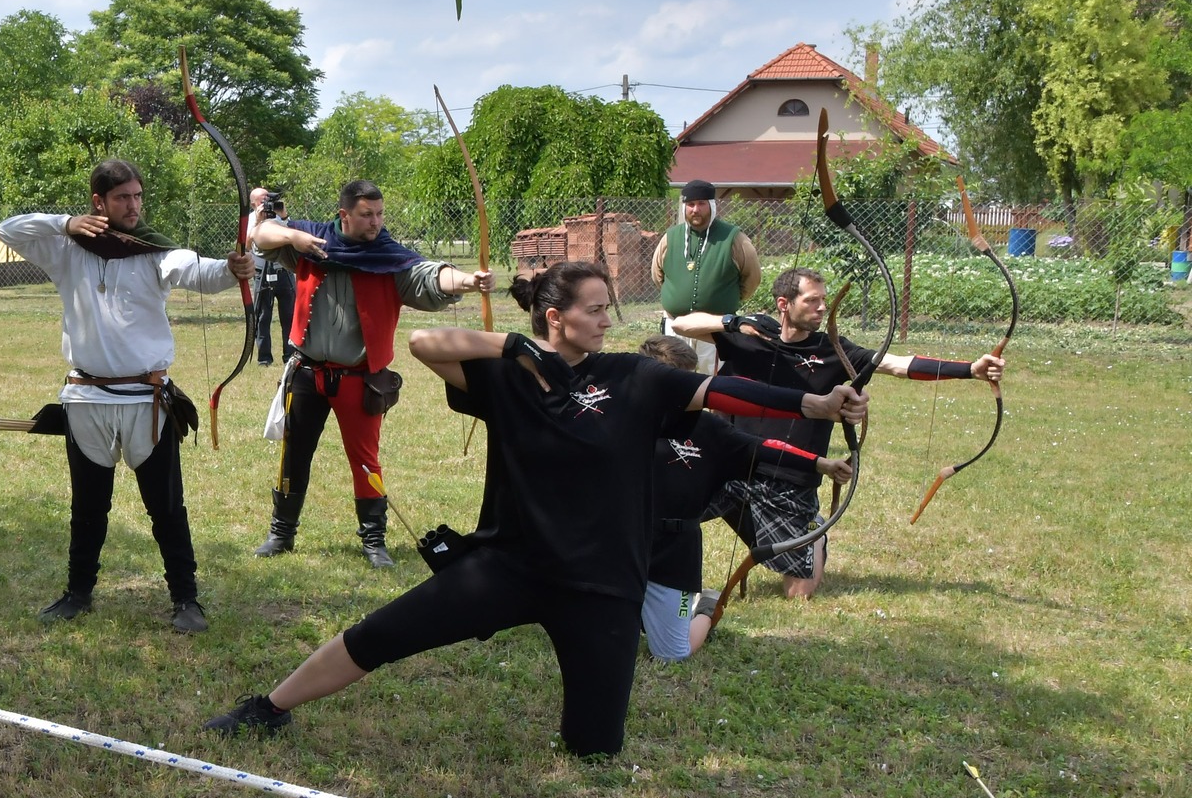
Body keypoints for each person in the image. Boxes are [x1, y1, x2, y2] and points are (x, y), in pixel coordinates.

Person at [202, 260, 866, 756]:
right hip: (509, 567)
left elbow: (722, 392)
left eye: (607, 309)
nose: (607, 321)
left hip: (602, 587)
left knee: (594, 749)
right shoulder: (509, 377)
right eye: (596, 310)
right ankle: (270, 706)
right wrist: (514, 347)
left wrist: (810, 403)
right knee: (378, 634)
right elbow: (425, 343)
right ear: (556, 317)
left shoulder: (635, 377)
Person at [0, 160, 254, 634]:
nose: (133, 206)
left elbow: (198, 272)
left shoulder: (152, 251)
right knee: (87, 507)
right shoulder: (67, 249)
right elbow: (7, 230)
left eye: (137, 196)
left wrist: (231, 269)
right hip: (87, 399)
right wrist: (65, 223)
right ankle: (78, 593)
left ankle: (186, 598)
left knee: (167, 507)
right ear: (98, 202)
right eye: (122, 198)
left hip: (146, 402)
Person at [668, 266, 1006, 599]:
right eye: (811, 300)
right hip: (729, 465)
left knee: (798, 593)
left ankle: (813, 535)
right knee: (664, 511)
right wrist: (732, 321)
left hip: (789, 478)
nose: (821, 308)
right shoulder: (749, 334)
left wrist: (970, 370)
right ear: (784, 304)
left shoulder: (832, 349)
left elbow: (896, 364)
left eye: (823, 301)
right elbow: (681, 323)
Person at [249, 179, 492, 567]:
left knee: (365, 462)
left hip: (358, 379)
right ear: (344, 215)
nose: (376, 222)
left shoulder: (387, 257)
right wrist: (293, 236)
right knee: (293, 455)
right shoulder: (313, 243)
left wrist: (467, 280)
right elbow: (261, 235)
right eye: (366, 215)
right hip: (307, 373)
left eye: (379, 214)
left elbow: (428, 275)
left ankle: (374, 541)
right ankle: (281, 533)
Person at [635, 335, 850, 660]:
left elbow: (762, 448)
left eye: (688, 380)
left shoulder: (708, 428)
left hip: (672, 556)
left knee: (671, 654)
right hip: (627, 545)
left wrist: (822, 464)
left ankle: (706, 607)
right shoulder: (628, 417)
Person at [651, 180, 760, 372]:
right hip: (676, 324)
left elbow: (752, 278)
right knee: (674, 377)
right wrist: (675, 297)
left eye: (701, 203)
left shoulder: (734, 239)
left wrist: (726, 298)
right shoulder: (670, 237)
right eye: (691, 204)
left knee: (714, 379)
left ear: (711, 205)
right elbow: (657, 274)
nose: (695, 209)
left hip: (714, 328)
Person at [249, 186, 296, 366]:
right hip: (261, 272)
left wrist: (283, 216)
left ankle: (290, 356)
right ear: (253, 204)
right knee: (263, 316)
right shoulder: (250, 219)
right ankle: (264, 358)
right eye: (262, 200)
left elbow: (292, 236)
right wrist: (257, 222)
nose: (267, 202)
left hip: (283, 271)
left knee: (289, 315)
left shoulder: (278, 216)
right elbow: (247, 245)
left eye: (268, 198)